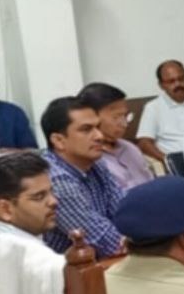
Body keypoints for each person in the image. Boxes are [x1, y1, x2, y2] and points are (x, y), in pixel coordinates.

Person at [39, 97, 124, 258]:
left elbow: (126, 212)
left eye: (98, 127)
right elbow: (108, 244)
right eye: (86, 129)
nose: (99, 136)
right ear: (58, 140)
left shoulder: (95, 163)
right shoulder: (55, 180)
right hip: (71, 270)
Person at [78, 82, 153, 190]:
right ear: (92, 117)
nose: (124, 124)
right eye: (116, 117)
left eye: (125, 116)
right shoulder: (88, 159)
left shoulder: (130, 148)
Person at [0, 152, 57, 241]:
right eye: (39, 197)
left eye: (52, 191)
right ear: (5, 209)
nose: (53, 201)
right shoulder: (17, 247)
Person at [136, 60, 184, 162]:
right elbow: (144, 142)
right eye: (171, 81)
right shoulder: (153, 107)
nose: (178, 84)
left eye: (181, 79)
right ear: (161, 85)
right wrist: (168, 160)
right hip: (177, 161)